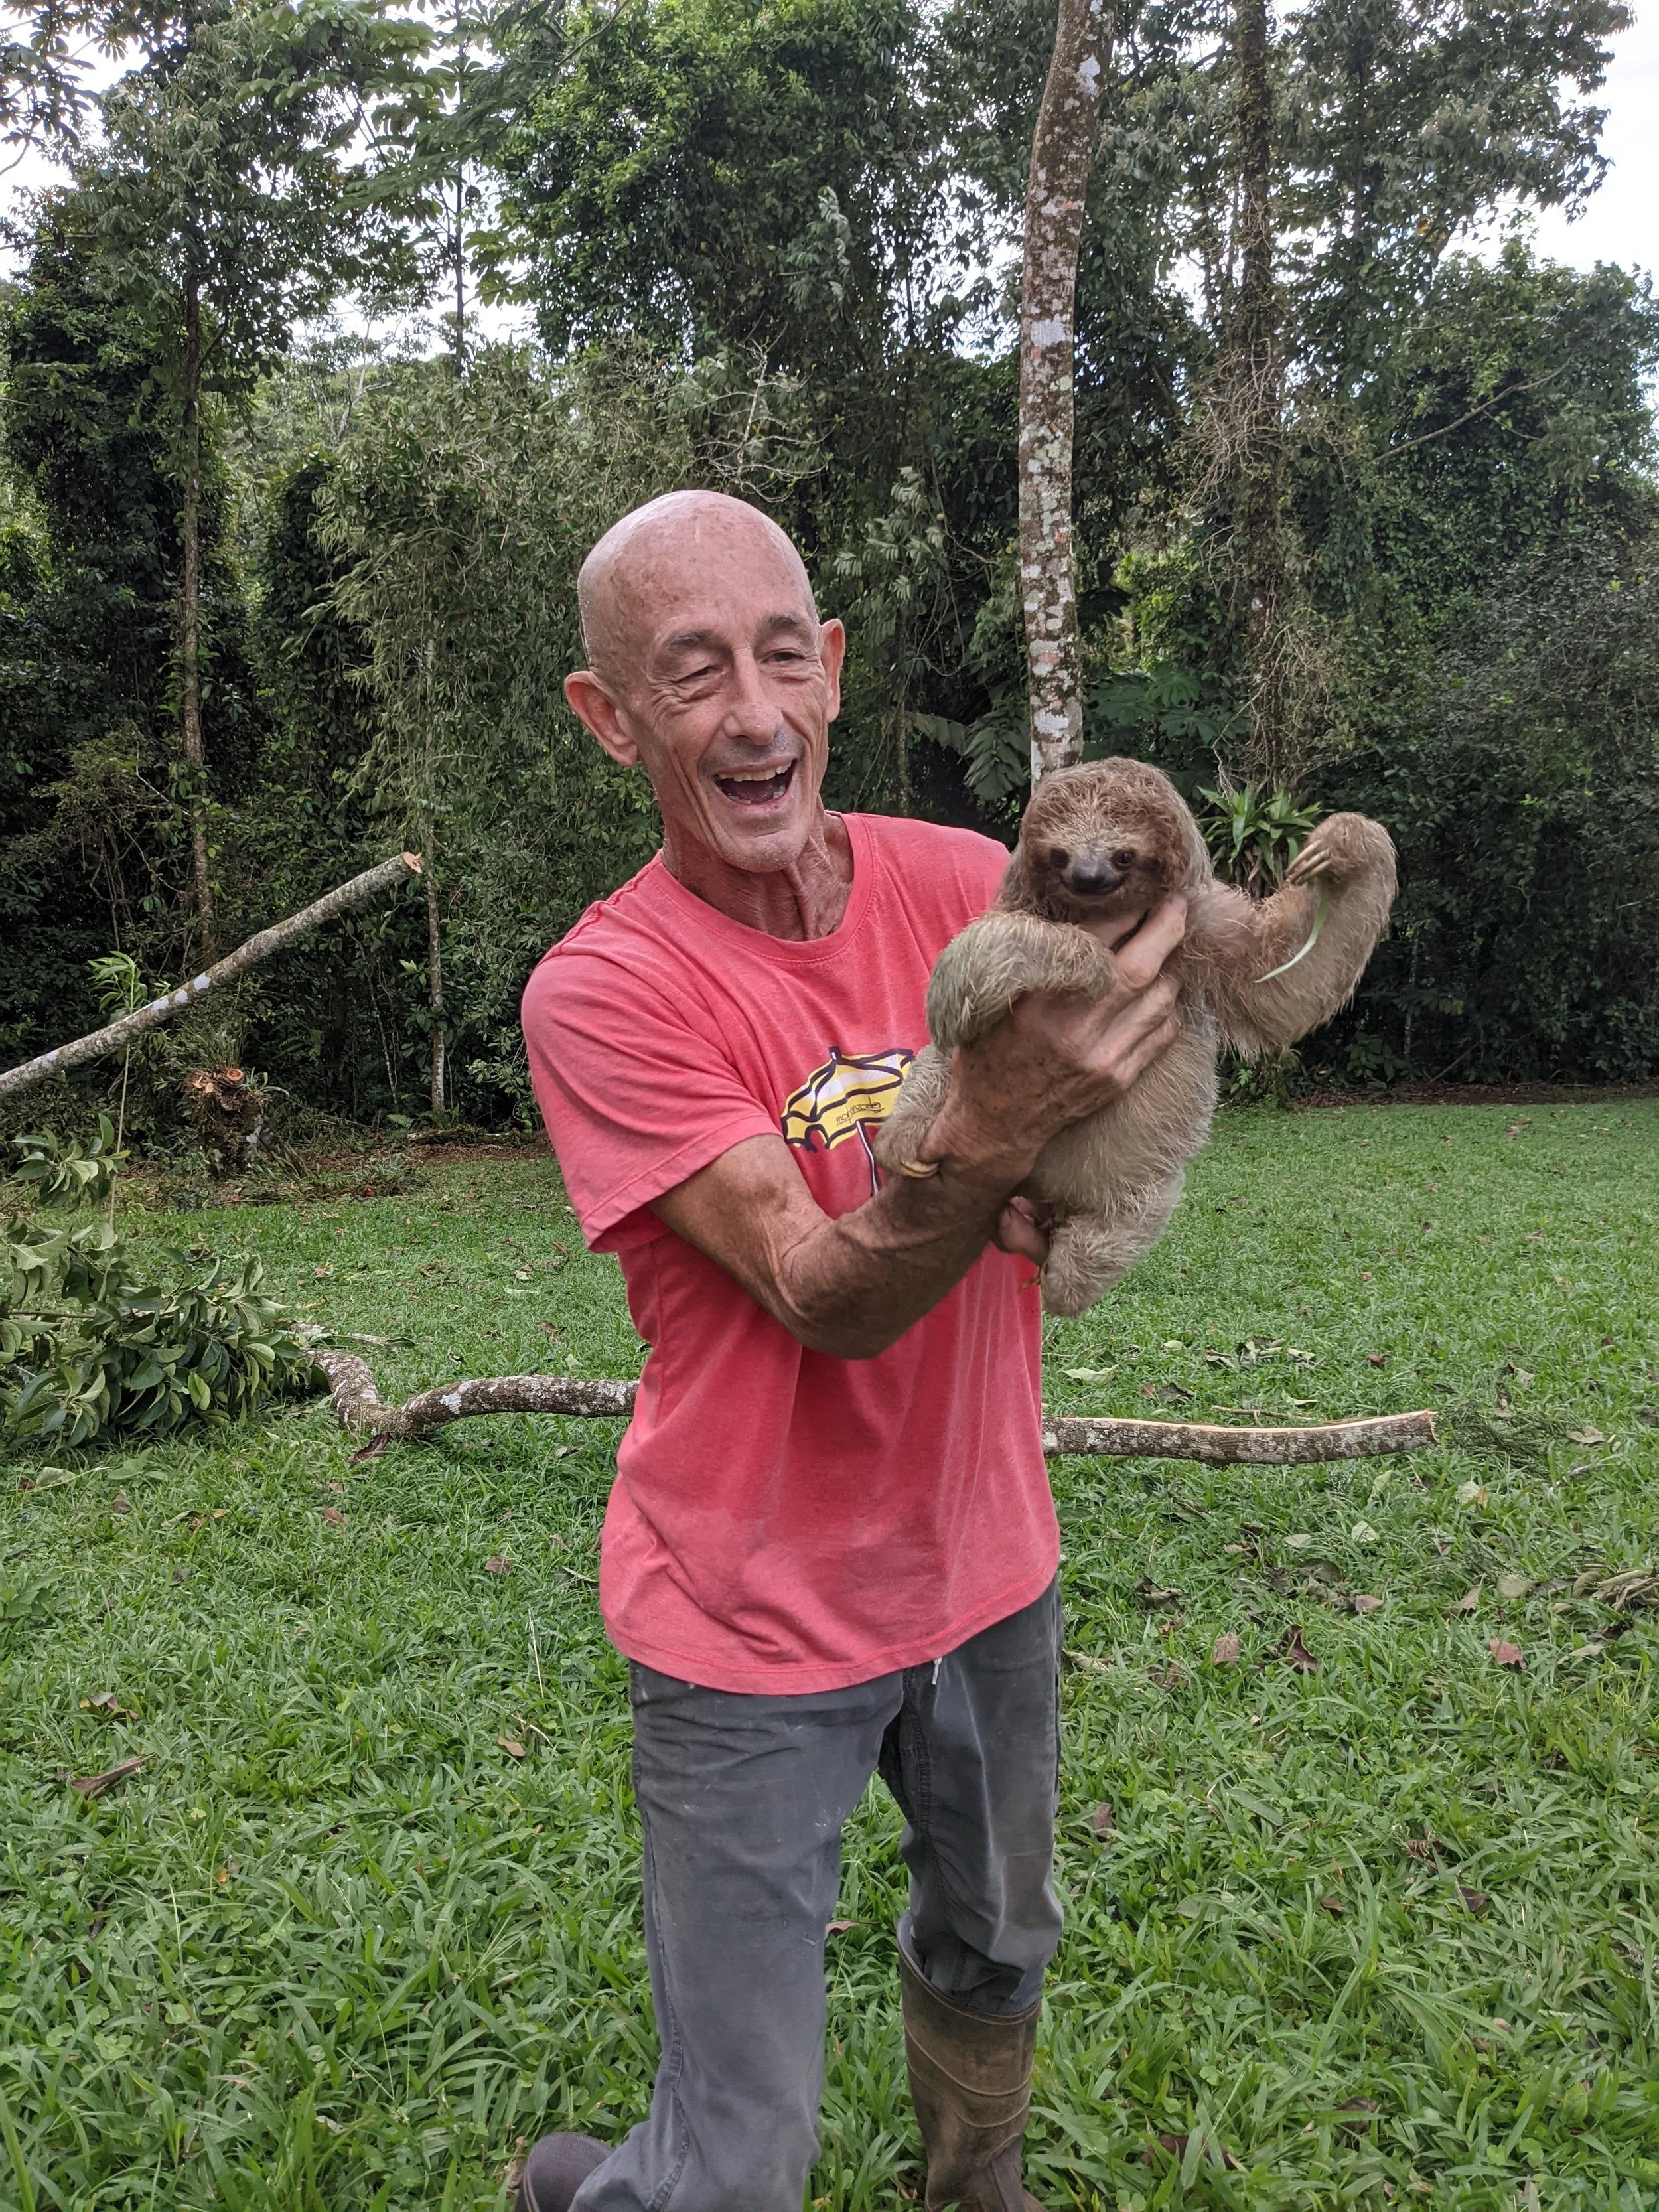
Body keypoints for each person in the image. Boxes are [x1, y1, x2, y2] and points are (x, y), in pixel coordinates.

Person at [516, 490, 1185, 2212]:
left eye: (780, 653)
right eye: (691, 672)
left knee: (997, 1927)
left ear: (833, 672)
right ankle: (584, 2191)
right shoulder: (605, 990)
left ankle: (972, 2182)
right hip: (748, 1622)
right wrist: (994, 1134)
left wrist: (1063, 1171)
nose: (751, 711)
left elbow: (1129, 1072)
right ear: (608, 718)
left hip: (986, 1565)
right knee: (737, 2164)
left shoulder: (968, 884)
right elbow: (820, 1286)